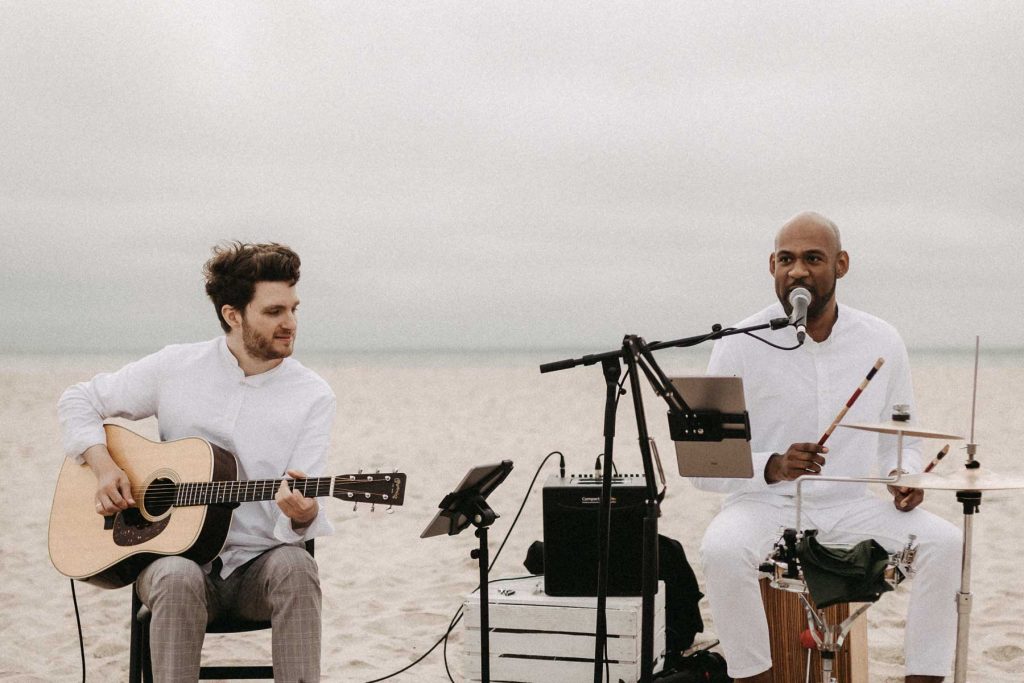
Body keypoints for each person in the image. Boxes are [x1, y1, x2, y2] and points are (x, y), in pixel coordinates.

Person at [692, 212, 960, 683]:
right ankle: (753, 677)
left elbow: (903, 441)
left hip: (850, 504)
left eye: (813, 259)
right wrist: (771, 466)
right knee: (720, 549)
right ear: (771, 265)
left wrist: (905, 478)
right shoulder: (738, 343)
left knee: (947, 543)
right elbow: (703, 468)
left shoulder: (882, 339)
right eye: (786, 259)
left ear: (841, 264)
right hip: (764, 503)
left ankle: (924, 677)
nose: (798, 271)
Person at [58, 242, 335, 682]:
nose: (290, 324)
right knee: (176, 575)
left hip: (258, 569)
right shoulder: (176, 367)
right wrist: (103, 464)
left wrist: (305, 515)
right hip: (174, 562)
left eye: (294, 309)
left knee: (298, 567)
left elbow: (301, 508)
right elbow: (79, 400)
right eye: (274, 311)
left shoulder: (313, 396)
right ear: (233, 314)